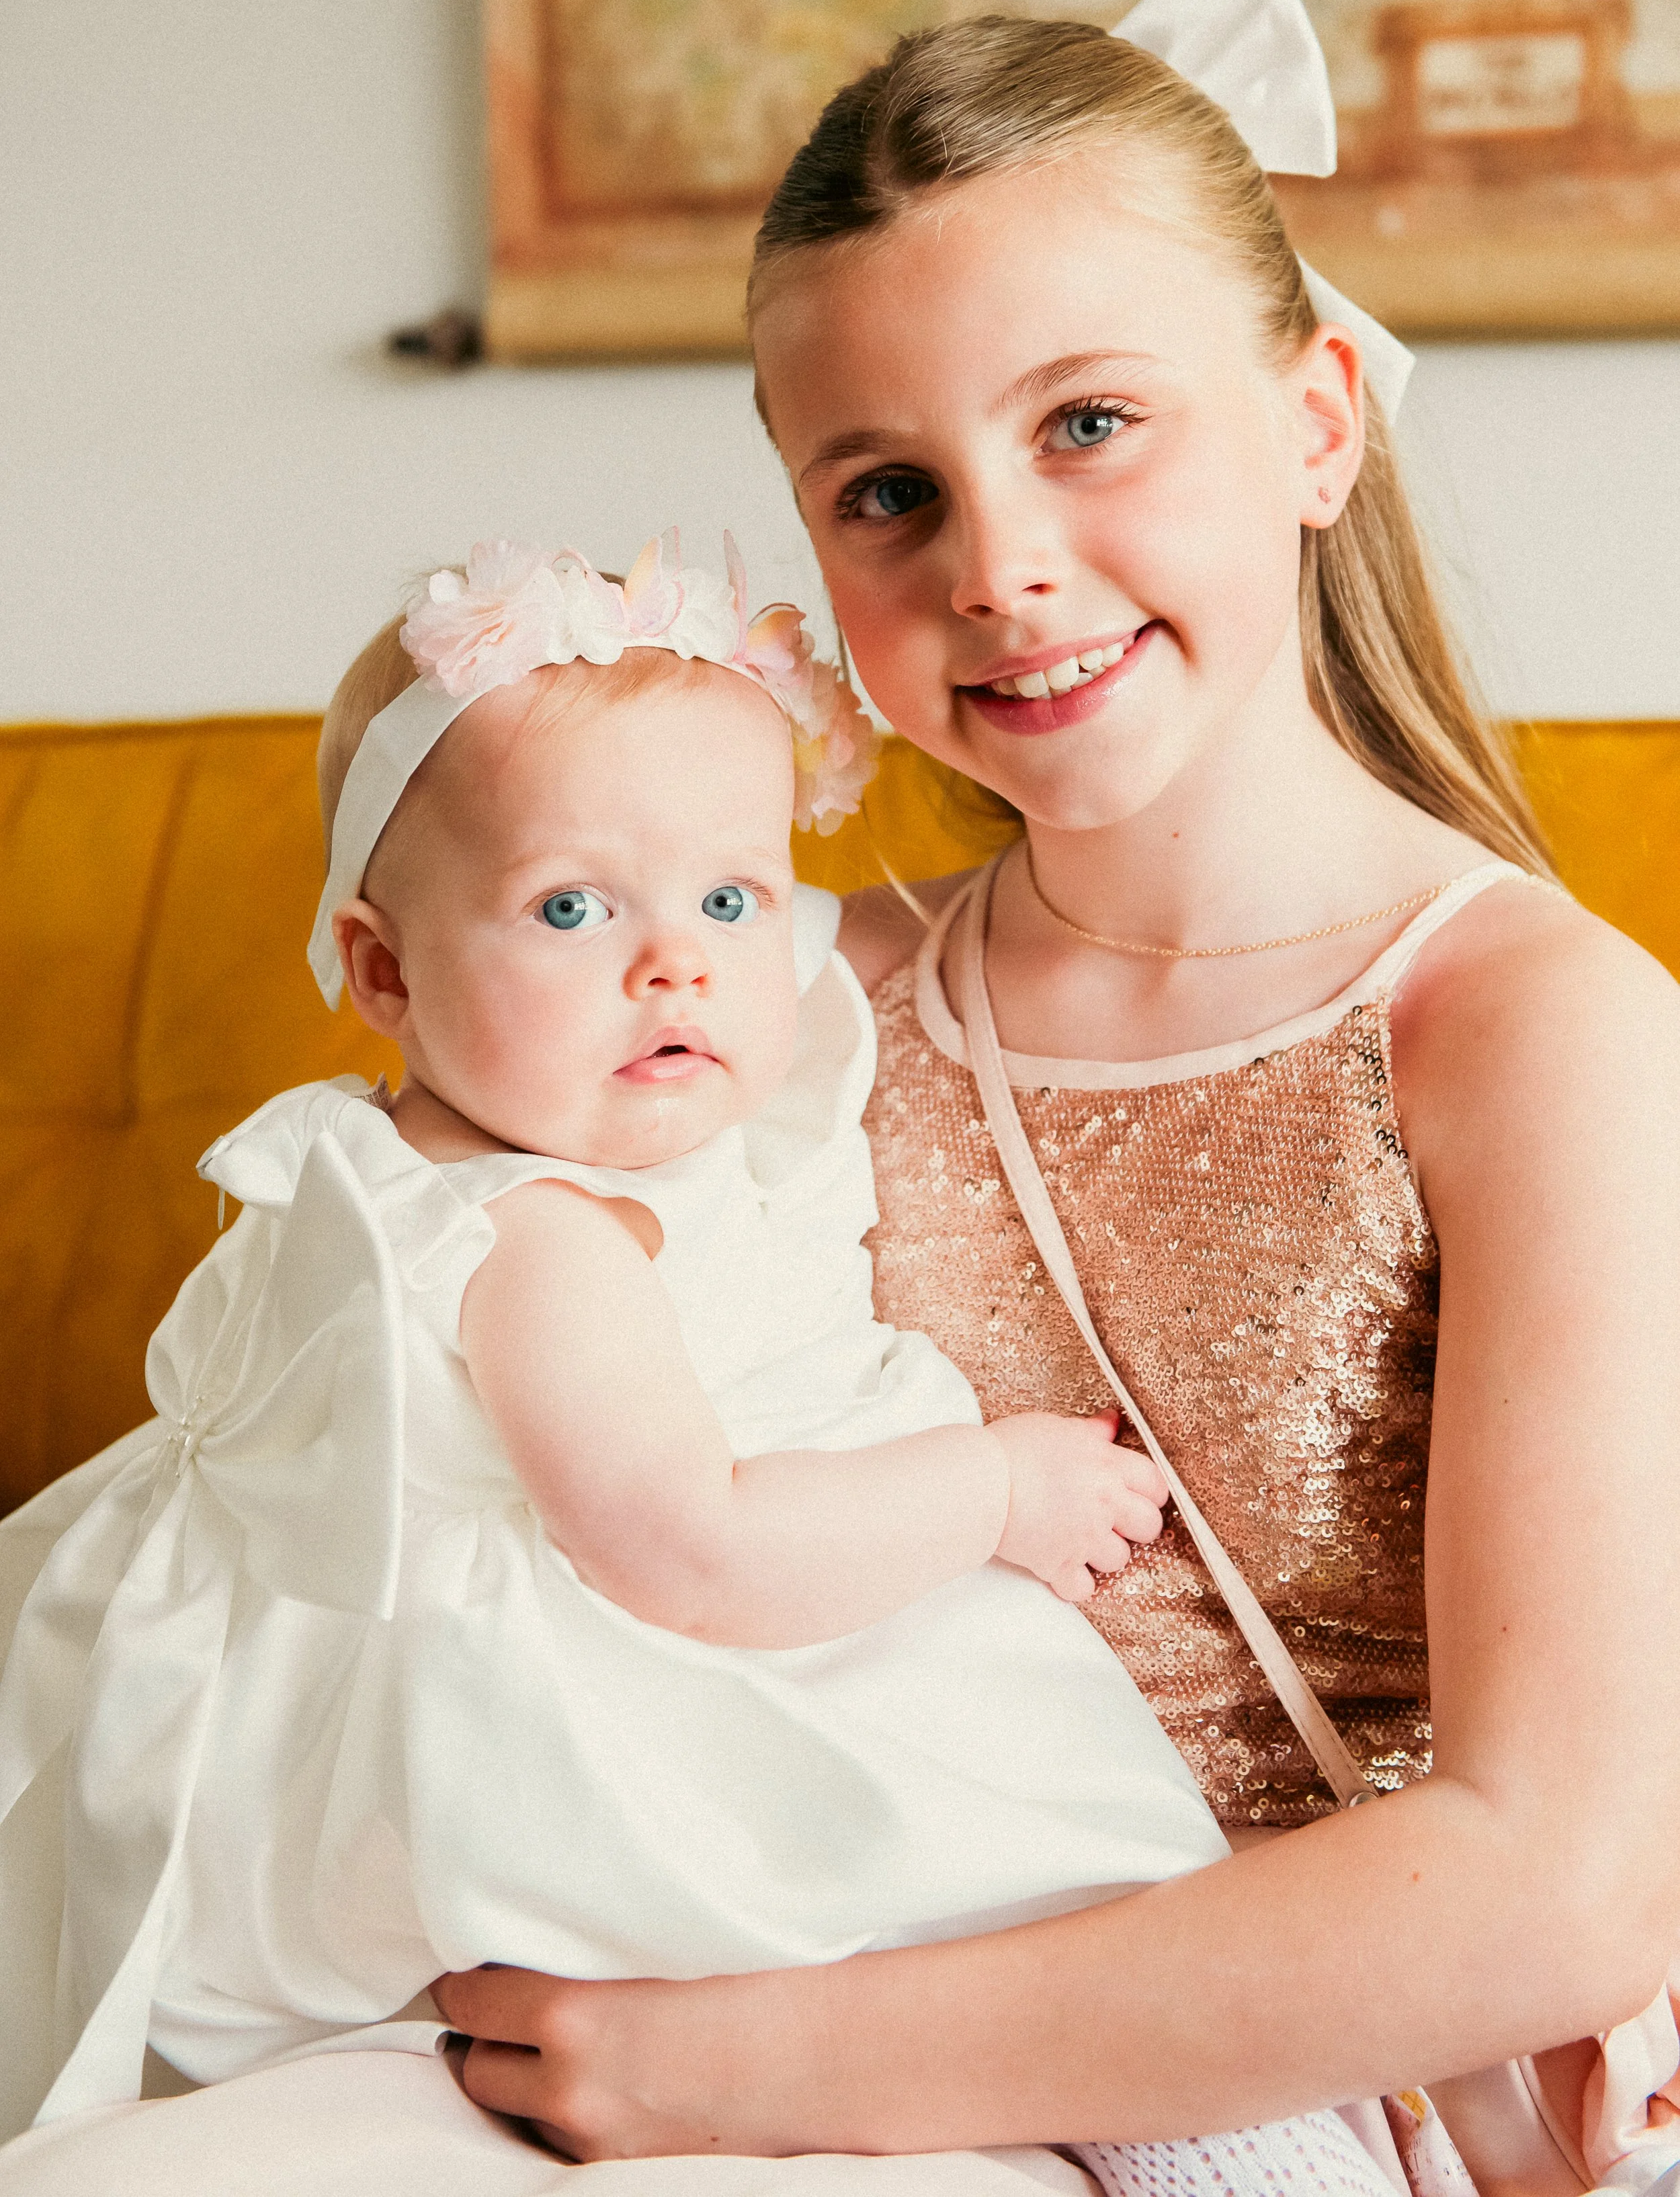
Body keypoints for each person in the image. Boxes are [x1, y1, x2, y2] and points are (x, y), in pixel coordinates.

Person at [3, 0, 1677, 2196]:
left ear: (1315, 419)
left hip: (1263, 2069)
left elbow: (1555, 1874)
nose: (1000, 564)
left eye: (1090, 420)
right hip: (760, 1903)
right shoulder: (767, 995)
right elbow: (454, 1342)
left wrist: (721, 2066)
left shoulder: (1533, 1029)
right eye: (885, 489)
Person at [0, 528, 1403, 2197]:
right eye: (571, 906)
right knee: (964, 1875)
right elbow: (690, 1545)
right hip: (654, 1729)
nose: (673, 961)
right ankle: (1227, 2133)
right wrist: (996, 1484)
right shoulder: (535, 1239)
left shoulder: (568, 1161)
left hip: (663, 1686)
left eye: (731, 897)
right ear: (380, 968)